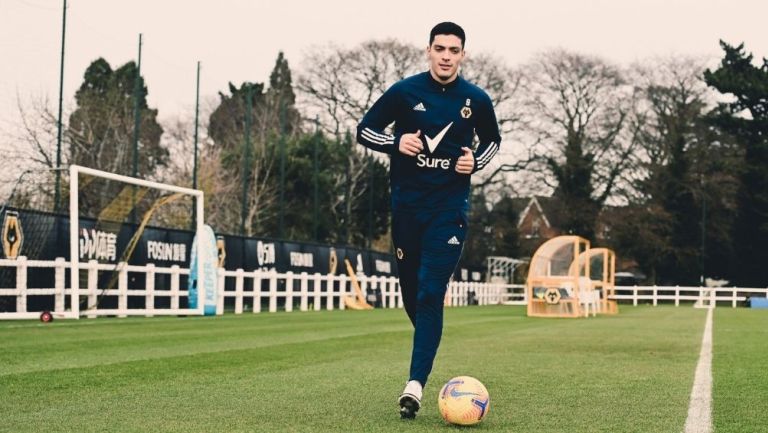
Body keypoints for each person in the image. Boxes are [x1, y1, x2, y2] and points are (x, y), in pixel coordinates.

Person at [356, 22, 502, 419]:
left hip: (449, 212)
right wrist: (395, 142)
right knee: (413, 298)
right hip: (407, 211)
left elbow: (491, 142)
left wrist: (475, 162)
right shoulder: (405, 92)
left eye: (454, 50)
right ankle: (427, 345)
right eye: (440, 49)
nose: (446, 56)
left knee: (429, 294)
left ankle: (414, 385)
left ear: (463, 55)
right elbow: (364, 129)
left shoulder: (476, 99)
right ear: (428, 51)